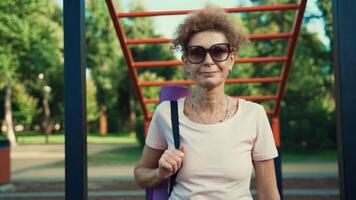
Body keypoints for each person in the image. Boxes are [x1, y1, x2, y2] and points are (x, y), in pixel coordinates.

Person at [134, 8, 280, 200]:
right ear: (186, 62)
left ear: (231, 60)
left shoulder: (254, 115)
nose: (208, 61)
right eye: (197, 52)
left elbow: (268, 193)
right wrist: (160, 173)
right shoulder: (167, 113)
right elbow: (140, 174)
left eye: (218, 51)